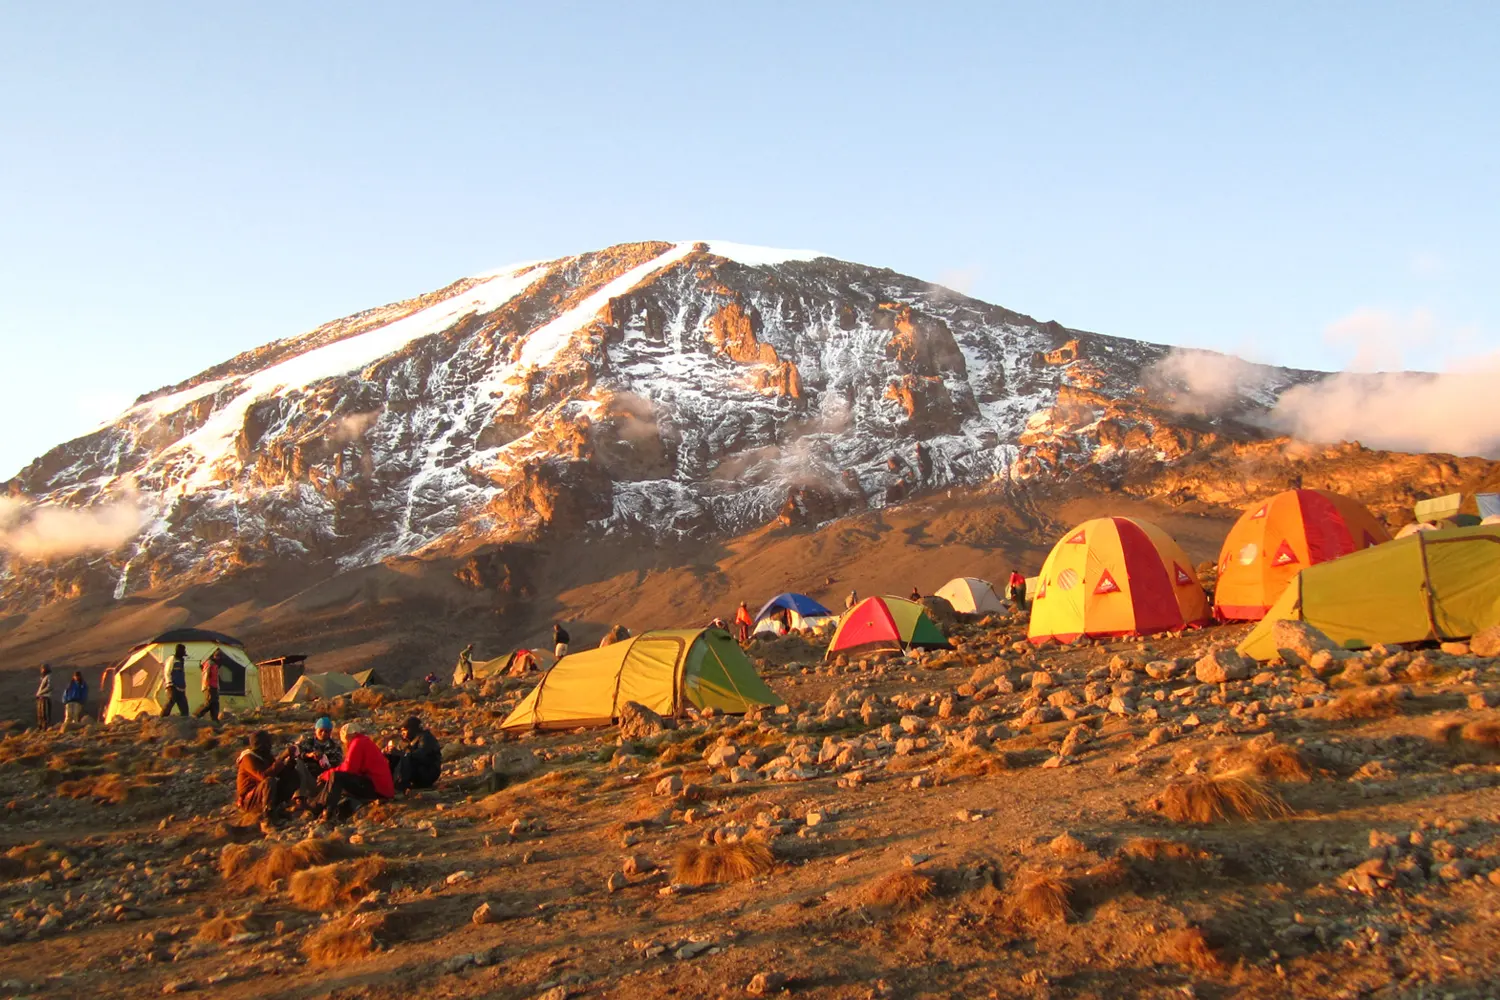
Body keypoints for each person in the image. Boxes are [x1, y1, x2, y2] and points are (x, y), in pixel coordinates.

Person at [315, 721, 394, 823]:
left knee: (336, 776)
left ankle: (327, 811)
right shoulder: (364, 741)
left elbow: (349, 768)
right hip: (381, 788)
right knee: (336, 778)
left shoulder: (357, 742)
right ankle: (320, 805)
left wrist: (326, 774)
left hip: (377, 789)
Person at [236, 730, 294, 819]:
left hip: (261, 794)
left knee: (292, 776)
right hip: (249, 800)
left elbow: (279, 773)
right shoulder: (248, 758)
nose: (270, 744)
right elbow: (263, 776)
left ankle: (280, 807)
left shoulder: (266, 756)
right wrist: (282, 757)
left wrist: (290, 762)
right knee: (269, 781)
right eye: (268, 742)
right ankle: (268, 816)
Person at [292, 716, 344, 802]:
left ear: (330, 732)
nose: (323, 733)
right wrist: (309, 755)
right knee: (298, 763)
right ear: (316, 730)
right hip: (308, 779)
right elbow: (295, 753)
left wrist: (324, 760)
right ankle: (299, 797)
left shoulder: (335, 747)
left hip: (324, 783)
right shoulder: (307, 743)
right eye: (321, 730)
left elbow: (337, 766)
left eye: (326, 731)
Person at [385, 716, 442, 793]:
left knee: (405, 757)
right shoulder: (406, 741)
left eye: (404, 730)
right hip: (417, 773)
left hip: (427, 772)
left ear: (412, 729)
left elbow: (421, 755)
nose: (402, 733)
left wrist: (401, 753)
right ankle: (388, 784)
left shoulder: (426, 737)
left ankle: (400, 785)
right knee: (392, 757)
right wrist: (388, 752)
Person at [161, 644, 190, 717]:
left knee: (184, 707)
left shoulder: (180, 661)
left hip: (181, 688)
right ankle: (162, 718)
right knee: (170, 701)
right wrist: (169, 683)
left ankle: (185, 720)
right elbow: (167, 671)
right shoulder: (172, 659)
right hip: (172, 686)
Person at [195, 649, 223, 721]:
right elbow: (206, 675)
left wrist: (217, 687)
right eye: (217, 656)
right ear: (213, 655)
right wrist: (207, 685)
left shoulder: (215, 665)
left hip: (214, 687)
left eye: (219, 656)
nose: (218, 658)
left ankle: (215, 719)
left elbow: (216, 677)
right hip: (209, 686)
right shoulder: (209, 663)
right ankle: (196, 715)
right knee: (209, 702)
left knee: (215, 703)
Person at [35, 665, 53, 731]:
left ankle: (45, 727)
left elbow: (49, 687)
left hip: (46, 697)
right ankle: (40, 727)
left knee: (45, 714)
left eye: (43, 669)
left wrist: (40, 693)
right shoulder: (43, 678)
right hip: (41, 697)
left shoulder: (49, 676)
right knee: (40, 714)